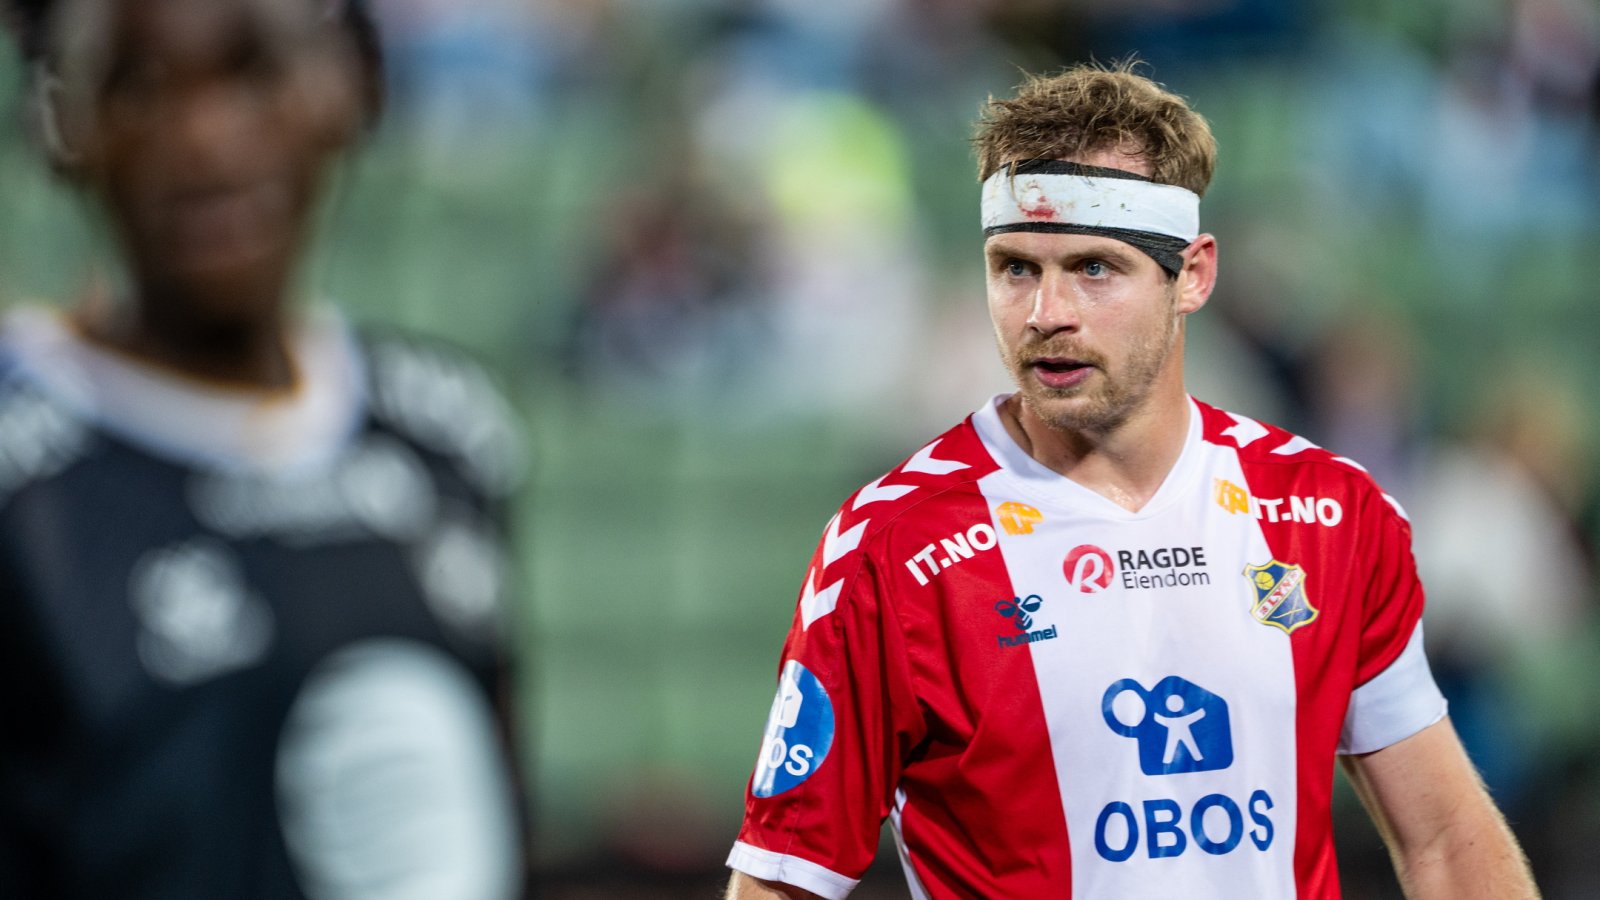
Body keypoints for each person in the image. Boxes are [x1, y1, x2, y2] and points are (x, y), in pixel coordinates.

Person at [724, 62, 1538, 899]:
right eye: (1015, 268)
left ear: (1193, 275)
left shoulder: (1329, 514)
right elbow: (782, 881)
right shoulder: (892, 551)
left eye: (1094, 268)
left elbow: (1446, 840)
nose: (1046, 314)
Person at [0, 1, 529, 897]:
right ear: (63, 123)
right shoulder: (23, 481)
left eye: (255, 73)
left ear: (350, 89)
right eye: (140, 87)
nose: (205, 140)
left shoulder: (447, 435)